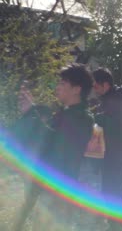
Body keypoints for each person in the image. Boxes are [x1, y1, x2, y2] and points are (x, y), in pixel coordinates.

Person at [12, 63, 94, 231]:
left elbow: (54, 143)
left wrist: (32, 112)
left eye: (63, 84)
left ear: (76, 89)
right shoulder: (66, 113)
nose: (58, 87)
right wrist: (31, 111)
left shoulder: (81, 119)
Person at [92, 68, 122, 231]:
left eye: (96, 84)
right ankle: (115, 224)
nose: (94, 87)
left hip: (116, 155)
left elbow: (115, 125)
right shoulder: (109, 98)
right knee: (111, 190)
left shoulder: (117, 100)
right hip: (111, 154)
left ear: (106, 84)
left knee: (113, 191)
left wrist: (96, 117)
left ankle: (117, 225)